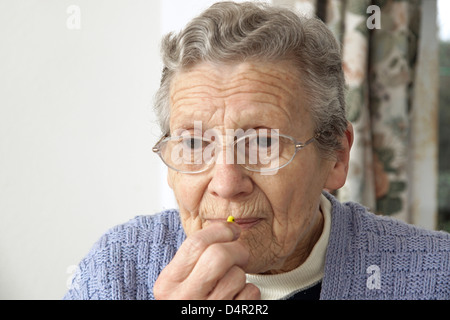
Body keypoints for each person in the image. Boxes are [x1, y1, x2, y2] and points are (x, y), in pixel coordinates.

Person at [64, 1, 450, 300]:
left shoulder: (436, 274)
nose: (227, 184)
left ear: (336, 157)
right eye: (195, 143)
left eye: (263, 142)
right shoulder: (115, 269)